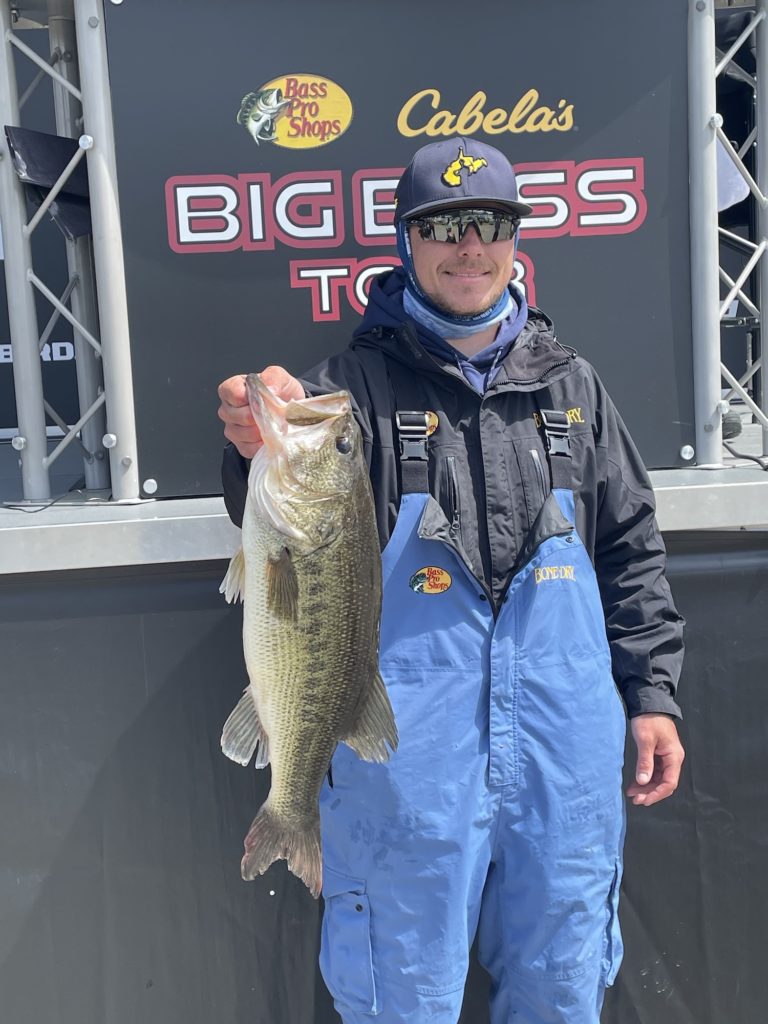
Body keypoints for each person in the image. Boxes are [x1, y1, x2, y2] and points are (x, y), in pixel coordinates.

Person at [217, 137, 685, 1024]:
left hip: (565, 761)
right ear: (406, 242)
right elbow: (288, 524)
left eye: (489, 224)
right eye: (443, 226)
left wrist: (653, 694)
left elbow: (630, 548)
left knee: (563, 987)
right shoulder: (343, 392)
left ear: (515, 242)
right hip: (404, 766)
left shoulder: (573, 386)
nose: (468, 246)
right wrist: (251, 444)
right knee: (403, 995)